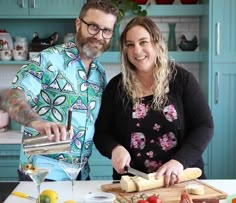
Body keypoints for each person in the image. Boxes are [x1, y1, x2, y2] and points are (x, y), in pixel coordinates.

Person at [2, 0, 119, 181]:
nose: (99, 36)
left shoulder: (99, 73)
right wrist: (38, 123)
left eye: (107, 31)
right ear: (78, 24)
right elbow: (12, 97)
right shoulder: (49, 59)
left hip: (80, 175)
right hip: (41, 174)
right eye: (93, 27)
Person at [94, 16, 214, 186]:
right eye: (130, 45)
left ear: (157, 44)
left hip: (181, 180)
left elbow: (204, 126)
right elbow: (101, 133)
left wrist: (179, 162)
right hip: (134, 184)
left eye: (143, 42)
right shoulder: (116, 87)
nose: (137, 50)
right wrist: (115, 149)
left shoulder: (182, 80)